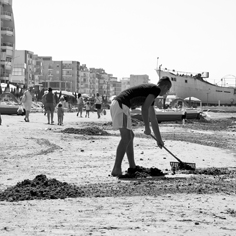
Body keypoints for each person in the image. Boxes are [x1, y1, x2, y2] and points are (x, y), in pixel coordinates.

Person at [110, 76, 172, 177]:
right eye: (168, 90)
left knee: (130, 136)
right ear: (165, 86)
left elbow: (153, 118)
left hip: (120, 105)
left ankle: (132, 167)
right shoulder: (155, 89)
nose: (166, 92)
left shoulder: (151, 94)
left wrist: (159, 139)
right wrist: (147, 128)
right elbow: (144, 109)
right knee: (126, 137)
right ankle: (116, 169)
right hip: (121, 105)